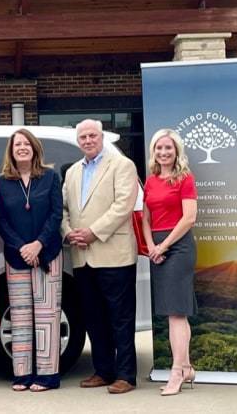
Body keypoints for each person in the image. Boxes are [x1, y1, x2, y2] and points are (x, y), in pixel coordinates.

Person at [61, 119, 139, 394]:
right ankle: (103, 371)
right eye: (83, 137)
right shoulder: (72, 172)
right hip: (82, 256)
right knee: (94, 318)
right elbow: (64, 209)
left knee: (121, 318)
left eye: (92, 135)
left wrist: (93, 232)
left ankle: (126, 375)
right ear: (78, 141)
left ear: (101, 136)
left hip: (114, 254)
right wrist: (68, 232)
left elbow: (123, 205)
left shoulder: (122, 165)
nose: (88, 140)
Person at [0, 129, 64, 392]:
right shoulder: (2, 183)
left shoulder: (50, 177)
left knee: (47, 316)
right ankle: (22, 374)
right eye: (17, 145)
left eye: (26, 144)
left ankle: (48, 376)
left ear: (34, 148)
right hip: (17, 255)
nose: (22, 148)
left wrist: (38, 244)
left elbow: (56, 214)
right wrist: (22, 247)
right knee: (20, 317)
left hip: (48, 254)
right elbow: (1, 220)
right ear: (11, 151)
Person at [141, 128, 198, 396]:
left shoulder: (185, 178)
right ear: (153, 152)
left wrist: (164, 246)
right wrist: (151, 247)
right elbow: (145, 219)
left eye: (168, 148)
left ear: (177, 151)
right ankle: (186, 367)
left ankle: (177, 372)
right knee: (173, 311)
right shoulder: (151, 181)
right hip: (157, 249)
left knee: (177, 311)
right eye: (159, 148)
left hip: (179, 247)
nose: (163, 152)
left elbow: (189, 218)